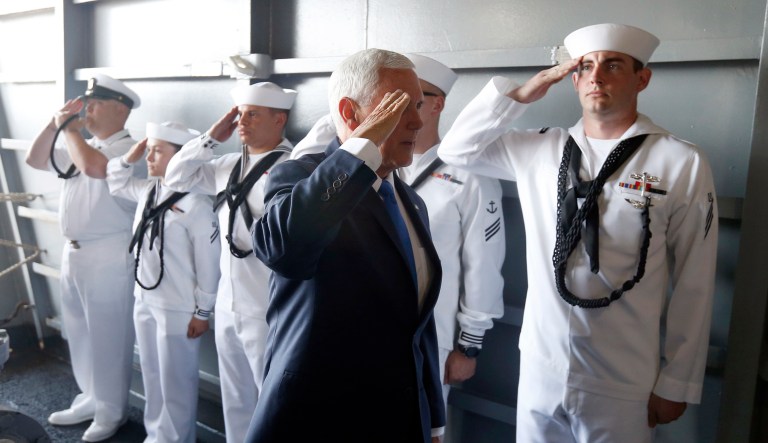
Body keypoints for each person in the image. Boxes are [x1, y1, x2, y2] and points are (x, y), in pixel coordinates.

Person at [438, 23, 718, 443]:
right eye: (585, 67)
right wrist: (519, 95)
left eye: (613, 65)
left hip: (622, 377)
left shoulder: (679, 160)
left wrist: (677, 381)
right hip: (541, 366)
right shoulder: (538, 148)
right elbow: (456, 150)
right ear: (573, 79)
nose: (596, 76)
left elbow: (695, 280)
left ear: (642, 79)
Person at [248, 48, 446, 443]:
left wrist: (432, 419)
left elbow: (417, 324)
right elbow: (284, 249)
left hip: (398, 419)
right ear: (350, 113)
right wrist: (362, 146)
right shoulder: (299, 177)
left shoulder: (412, 202)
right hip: (318, 418)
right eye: (398, 107)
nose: (417, 121)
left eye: (419, 106)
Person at [289, 54, 506, 411]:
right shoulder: (363, 169)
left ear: (436, 104)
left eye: (413, 101)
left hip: (433, 335)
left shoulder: (469, 175)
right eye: (391, 101)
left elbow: (483, 264)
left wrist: (469, 343)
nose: (404, 115)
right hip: (359, 338)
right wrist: (355, 124)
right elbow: (302, 186)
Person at [163, 82, 296, 443]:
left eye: (253, 114)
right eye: (240, 115)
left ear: (279, 120)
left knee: (274, 401)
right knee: (235, 398)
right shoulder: (227, 165)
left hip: (267, 305)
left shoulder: (293, 168)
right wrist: (209, 139)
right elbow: (175, 177)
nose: (242, 122)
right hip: (227, 303)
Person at [25, 73, 141, 442]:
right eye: (86, 103)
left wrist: (70, 131)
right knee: (79, 333)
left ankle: (111, 411)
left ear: (120, 110)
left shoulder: (130, 149)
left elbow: (95, 168)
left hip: (109, 252)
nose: (87, 109)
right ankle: (90, 397)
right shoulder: (84, 145)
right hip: (74, 252)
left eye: (96, 104)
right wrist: (54, 124)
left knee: (109, 337)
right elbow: (35, 158)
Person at [105, 121, 221, 443]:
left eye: (157, 151)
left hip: (178, 306)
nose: (149, 157)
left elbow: (209, 263)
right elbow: (116, 181)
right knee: (152, 375)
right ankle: (156, 434)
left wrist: (203, 312)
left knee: (176, 380)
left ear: (181, 157)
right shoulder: (149, 190)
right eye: (149, 150)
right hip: (145, 299)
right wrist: (129, 156)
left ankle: (177, 438)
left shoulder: (196, 203)